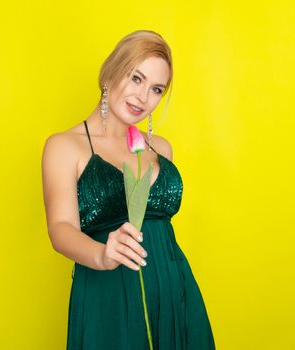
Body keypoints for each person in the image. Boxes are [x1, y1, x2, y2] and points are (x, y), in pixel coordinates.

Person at [42, 30, 215, 349]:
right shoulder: (64, 146)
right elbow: (60, 228)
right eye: (136, 78)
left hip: (175, 293)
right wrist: (102, 255)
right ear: (111, 72)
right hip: (108, 297)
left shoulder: (160, 148)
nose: (143, 96)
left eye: (156, 89)